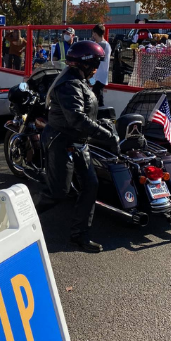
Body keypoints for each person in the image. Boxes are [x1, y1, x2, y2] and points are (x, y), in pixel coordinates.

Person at [38, 40, 118, 253]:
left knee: (90, 186)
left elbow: (88, 112)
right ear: (84, 63)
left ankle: (80, 235)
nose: (96, 69)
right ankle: (17, 222)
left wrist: (104, 124)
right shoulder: (69, 84)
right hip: (62, 141)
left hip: (79, 143)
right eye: (95, 64)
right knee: (58, 193)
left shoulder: (79, 80)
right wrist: (107, 136)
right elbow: (76, 118)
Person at [90, 24, 111, 105]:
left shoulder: (101, 45)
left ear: (95, 33)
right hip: (99, 77)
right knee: (99, 98)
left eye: (93, 34)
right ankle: (102, 113)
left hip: (99, 77)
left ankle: (98, 114)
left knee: (95, 98)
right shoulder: (105, 44)